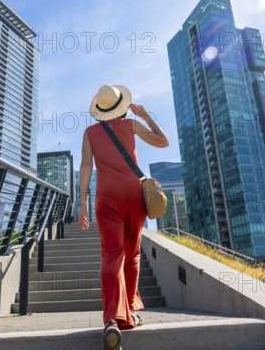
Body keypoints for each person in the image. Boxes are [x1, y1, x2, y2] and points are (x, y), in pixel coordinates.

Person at [78, 85, 169, 350]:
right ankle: (128, 312)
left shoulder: (90, 133)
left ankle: (112, 320)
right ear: (120, 106)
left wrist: (82, 202)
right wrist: (146, 117)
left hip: (106, 198)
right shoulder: (131, 126)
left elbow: (86, 166)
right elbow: (163, 142)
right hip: (134, 195)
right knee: (132, 255)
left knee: (112, 255)